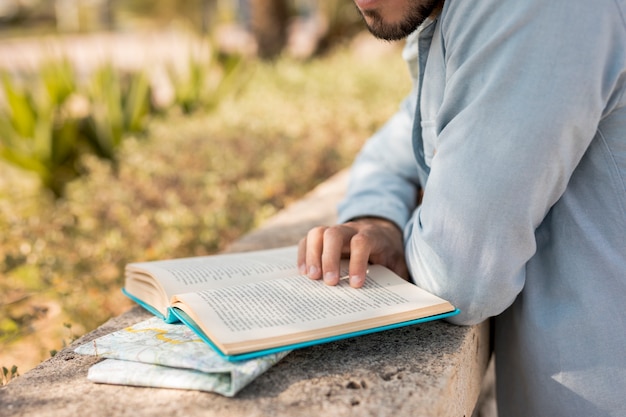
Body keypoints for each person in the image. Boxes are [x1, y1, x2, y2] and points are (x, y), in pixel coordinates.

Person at [297, 0, 626, 416]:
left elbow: (458, 274)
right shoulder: (447, 18)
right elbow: (387, 155)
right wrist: (376, 222)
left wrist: (419, 223)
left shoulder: (531, 9)